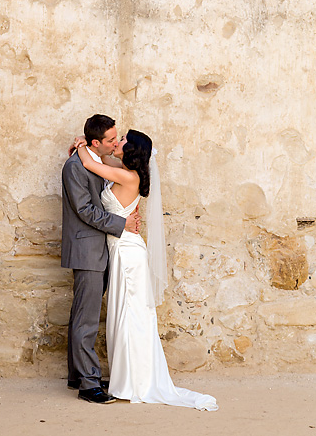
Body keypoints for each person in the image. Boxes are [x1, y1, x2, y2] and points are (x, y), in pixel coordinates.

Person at [74, 129, 218, 411]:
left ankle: (134, 381)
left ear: (132, 151)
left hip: (128, 255)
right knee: (124, 315)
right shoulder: (124, 169)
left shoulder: (128, 176)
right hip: (121, 250)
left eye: (123, 140)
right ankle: (126, 377)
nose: (118, 143)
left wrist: (81, 146)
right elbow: (100, 161)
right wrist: (90, 149)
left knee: (131, 316)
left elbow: (91, 164)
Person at [61, 114, 140, 404]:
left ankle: (78, 375)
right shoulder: (74, 167)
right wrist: (122, 225)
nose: (116, 143)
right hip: (86, 251)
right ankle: (88, 385)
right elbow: (85, 210)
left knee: (83, 314)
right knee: (87, 319)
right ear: (96, 142)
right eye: (111, 140)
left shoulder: (95, 160)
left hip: (100, 250)